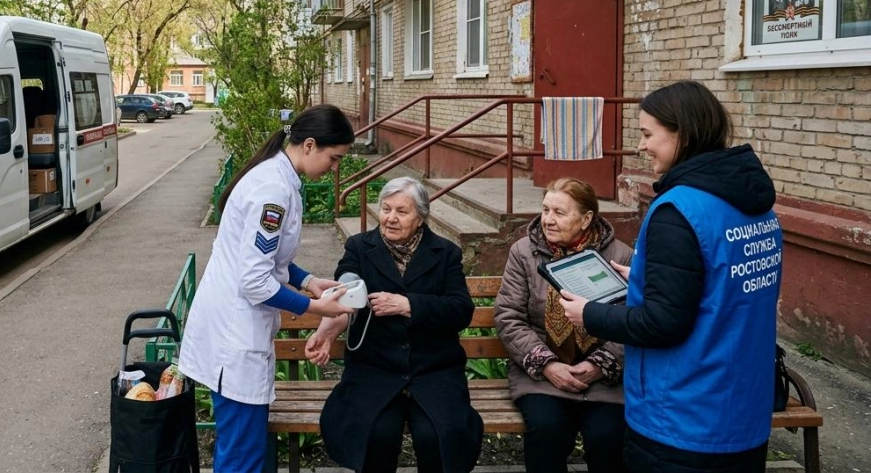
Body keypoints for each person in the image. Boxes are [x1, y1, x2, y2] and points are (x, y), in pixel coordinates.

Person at [561, 80, 784, 472]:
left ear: (681, 132)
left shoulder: (678, 210)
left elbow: (663, 324)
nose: (642, 146)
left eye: (648, 134)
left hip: (683, 418)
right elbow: (722, 283)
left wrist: (591, 313)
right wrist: (648, 276)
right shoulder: (754, 206)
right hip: (743, 411)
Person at [178, 104, 357, 473]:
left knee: (244, 448)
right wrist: (316, 308)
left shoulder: (279, 177)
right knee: (242, 456)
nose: (335, 168)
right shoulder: (272, 191)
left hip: (235, 330)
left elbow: (270, 258)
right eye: (334, 158)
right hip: (234, 336)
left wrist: (308, 281)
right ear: (309, 145)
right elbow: (255, 280)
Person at [305, 177, 484, 473]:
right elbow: (345, 287)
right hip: (375, 369)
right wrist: (327, 328)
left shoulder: (445, 254)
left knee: (436, 437)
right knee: (377, 434)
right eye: (386, 209)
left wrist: (409, 304)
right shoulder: (360, 247)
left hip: (432, 371)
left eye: (401, 211)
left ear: (421, 217)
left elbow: (461, 310)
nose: (390, 218)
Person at [494, 178, 632, 473]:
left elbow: (631, 321)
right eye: (545, 210)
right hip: (542, 378)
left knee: (608, 437)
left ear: (586, 219)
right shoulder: (523, 252)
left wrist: (600, 364)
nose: (548, 220)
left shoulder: (619, 257)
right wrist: (547, 365)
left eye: (559, 212)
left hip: (603, 381)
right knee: (546, 431)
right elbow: (509, 316)